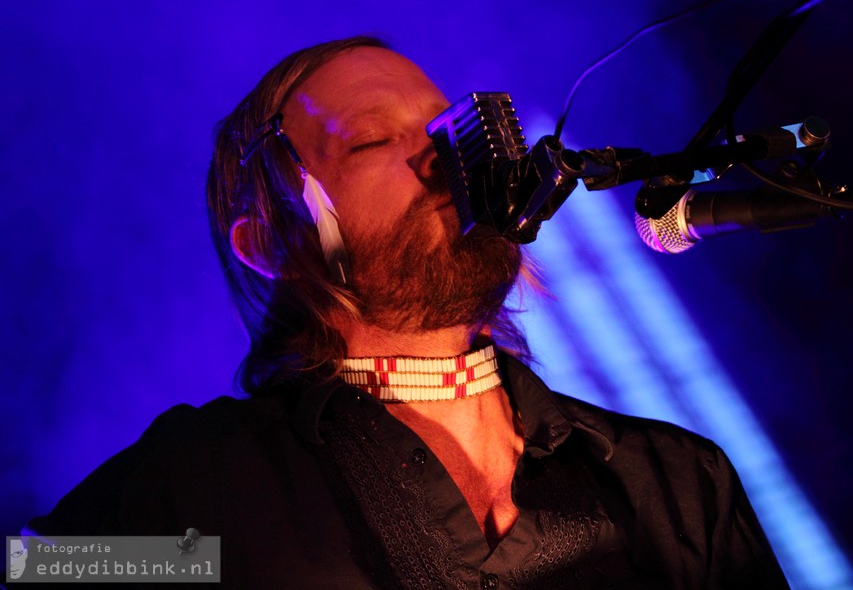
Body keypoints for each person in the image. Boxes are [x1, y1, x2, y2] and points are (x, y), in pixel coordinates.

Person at [18, 37, 788, 588]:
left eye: (443, 124)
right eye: (370, 142)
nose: (442, 154)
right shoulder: (203, 493)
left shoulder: (676, 481)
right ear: (269, 242)